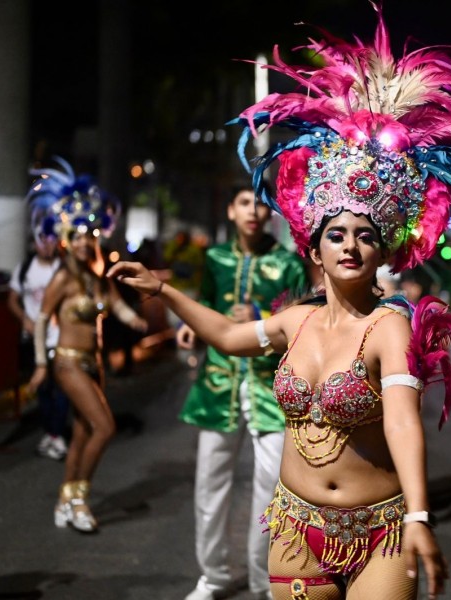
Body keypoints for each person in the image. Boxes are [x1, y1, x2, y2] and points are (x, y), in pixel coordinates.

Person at [109, 5, 451, 598]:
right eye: (337, 233)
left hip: (379, 533)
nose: (351, 245)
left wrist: (419, 516)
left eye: (365, 234)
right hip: (296, 527)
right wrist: (167, 291)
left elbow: (406, 423)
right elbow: (228, 339)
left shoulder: (387, 329)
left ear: (384, 251)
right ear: (315, 244)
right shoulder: (295, 322)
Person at [180, 184, 308, 600]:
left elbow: (301, 321)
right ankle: (213, 575)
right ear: (231, 211)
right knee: (209, 487)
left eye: (260, 203)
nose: (253, 210)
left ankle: (263, 577)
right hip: (218, 387)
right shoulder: (214, 258)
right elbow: (205, 305)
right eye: (243, 203)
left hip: (269, 388)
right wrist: (192, 331)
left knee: (272, 490)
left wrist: (260, 317)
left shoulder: (288, 264)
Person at [26, 156, 148, 534]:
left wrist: (138, 320)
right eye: (76, 235)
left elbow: (116, 308)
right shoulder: (62, 278)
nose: (83, 241)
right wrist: (42, 364)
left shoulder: (97, 279)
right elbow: (44, 317)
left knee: (81, 433)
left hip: (93, 364)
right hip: (67, 362)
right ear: (66, 238)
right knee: (104, 427)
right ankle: (79, 500)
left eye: (88, 234)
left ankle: (65, 499)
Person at [7, 233, 69, 460]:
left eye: (52, 240)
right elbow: (12, 299)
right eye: (42, 240)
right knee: (43, 388)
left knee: (62, 387)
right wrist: (25, 319)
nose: (47, 245)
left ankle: (57, 434)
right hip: (37, 338)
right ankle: (51, 433)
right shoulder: (25, 268)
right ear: (34, 242)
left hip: (60, 337)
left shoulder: (64, 268)